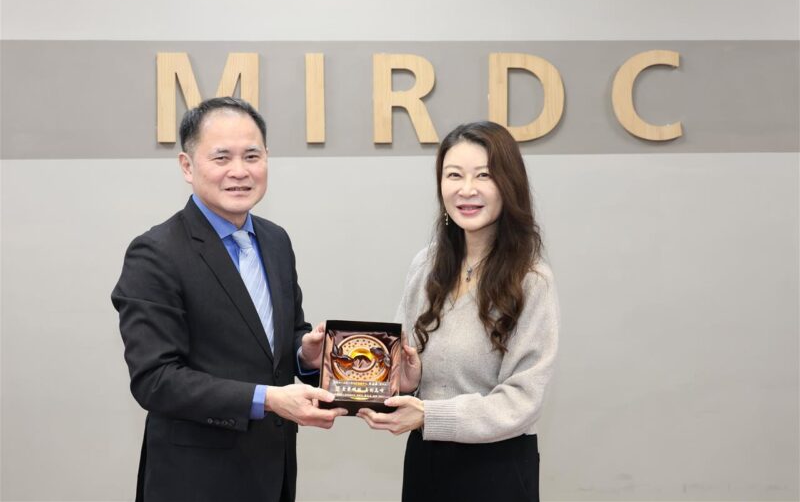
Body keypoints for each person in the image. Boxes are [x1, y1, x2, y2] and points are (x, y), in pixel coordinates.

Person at [111, 97, 347, 502]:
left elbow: (282, 339)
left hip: (272, 474)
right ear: (187, 166)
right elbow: (156, 380)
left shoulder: (275, 240)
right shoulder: (155, 253)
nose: (239, 171)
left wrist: (305, 355)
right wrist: (269, 399)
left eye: (252, 156)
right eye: (221, 157)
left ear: (267, 158)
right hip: (195, 482)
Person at [358, 121, 559, 501]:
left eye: (483, 175)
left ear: (508, 184)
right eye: (454, 175)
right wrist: (405, 379)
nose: (467, 189)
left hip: (497, 468)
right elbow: (400, 363)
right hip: (426, 460)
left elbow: (523, 400)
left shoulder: (531, 280)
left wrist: (429, 416)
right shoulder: (426, 265)